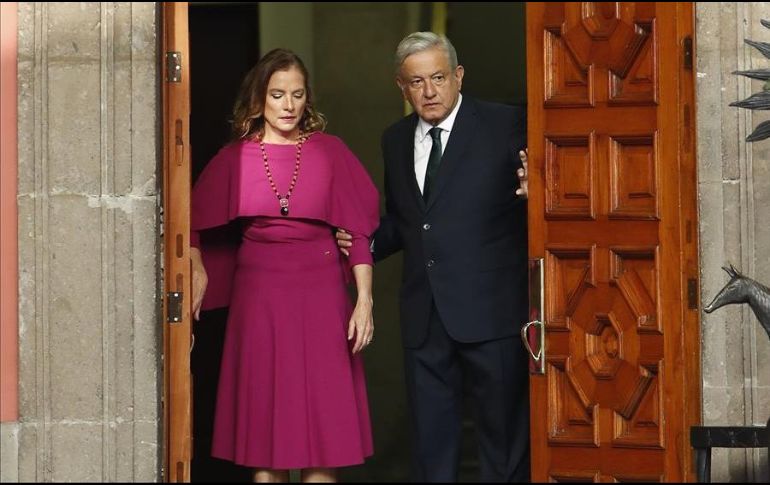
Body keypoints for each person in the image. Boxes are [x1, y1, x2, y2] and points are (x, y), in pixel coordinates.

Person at [336, 32, 530, 482]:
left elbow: (538, 197)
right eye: (417, 81)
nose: (429, 91)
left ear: (458, 76)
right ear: (401, 87)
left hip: (492, 313)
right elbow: (408, 221)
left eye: (439, 78)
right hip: (424, 316)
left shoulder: (506, 124)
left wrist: (537, 195)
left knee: (503, 445)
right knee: (431, 447)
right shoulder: (395, 139)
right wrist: (358, 244)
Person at [190, 48, 380, 483]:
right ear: (259, 100)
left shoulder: (330, 152)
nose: (289, 105)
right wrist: (197, 267)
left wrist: (365, 300)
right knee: (266, 438)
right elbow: (189, 224)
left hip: (323, 297)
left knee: (322, 440)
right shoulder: (234, 157)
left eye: (297, 94)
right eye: (278, 95)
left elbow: (358, 230)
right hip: (260, 300)